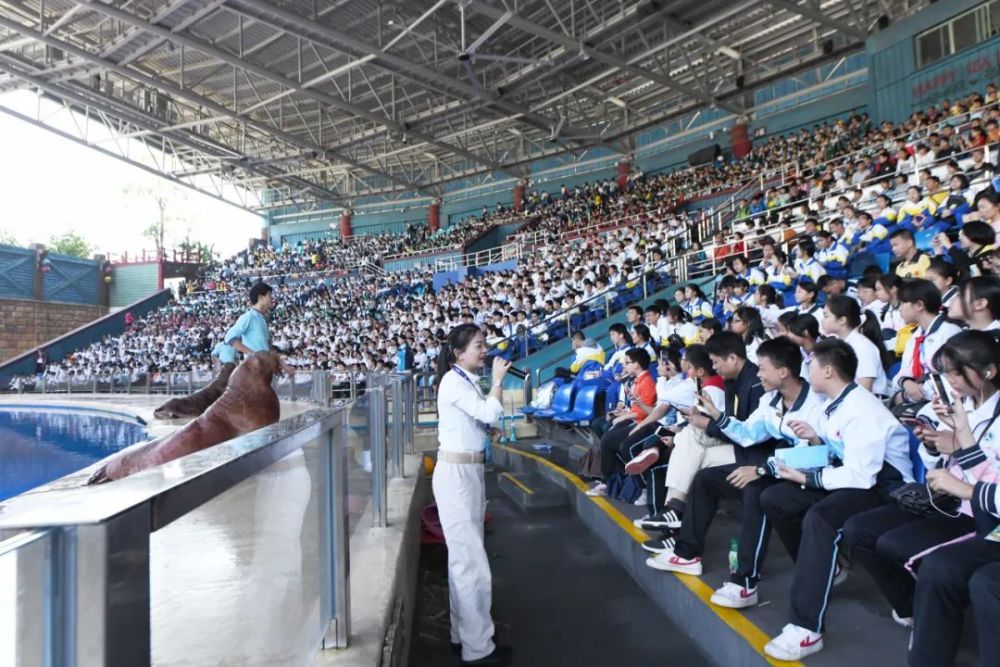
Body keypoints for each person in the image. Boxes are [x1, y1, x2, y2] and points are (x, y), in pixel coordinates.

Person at [758, 338, 914, 661]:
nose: (806, 372)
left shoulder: (861, 408)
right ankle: (829, 568)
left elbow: (862, 476)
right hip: (854, 480)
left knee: (821, 517)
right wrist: (814, 441)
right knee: (775, 498)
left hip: (887, 489)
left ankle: (806, 628)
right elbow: (840, 454)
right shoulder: (835, 403)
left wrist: (807, 478)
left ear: (828, 370)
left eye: (810, 366)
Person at [645, 337, 825, 612]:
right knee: (707, 479)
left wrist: (761, 469)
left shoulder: (815, 405)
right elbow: (748, 434)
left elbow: (813, 456)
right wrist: (717, 415)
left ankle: (744, 582)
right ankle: (686, 553)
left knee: (757, 492)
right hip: (778, 468)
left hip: (812, 476)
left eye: (762, 369)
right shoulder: (771, 400)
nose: (758, 374)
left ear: (783, 371)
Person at [842, 331, 1000, 636]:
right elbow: (938, 465)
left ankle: (934, 615)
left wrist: (959, 448)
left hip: (972, 508)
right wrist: (931, 446)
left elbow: (985, 477)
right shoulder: (955, 405)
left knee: (909, 552)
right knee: (858, 530)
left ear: (988, 371)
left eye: (957, 372)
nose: (950, 381)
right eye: (945, 373)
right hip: (942, 496)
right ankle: (913, 609)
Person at [433, 324, 512, 666]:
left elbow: (477, 418)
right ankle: (478, 649)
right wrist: (497, 382)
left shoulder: (462, 380)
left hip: (467, 471)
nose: (485, 351)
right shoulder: (454, 381)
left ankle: (462, 635)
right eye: (479, 346)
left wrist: (484, 426)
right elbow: (487, 410)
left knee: (463, 561)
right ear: (458, 352)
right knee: (471, 564)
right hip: (457, 475)